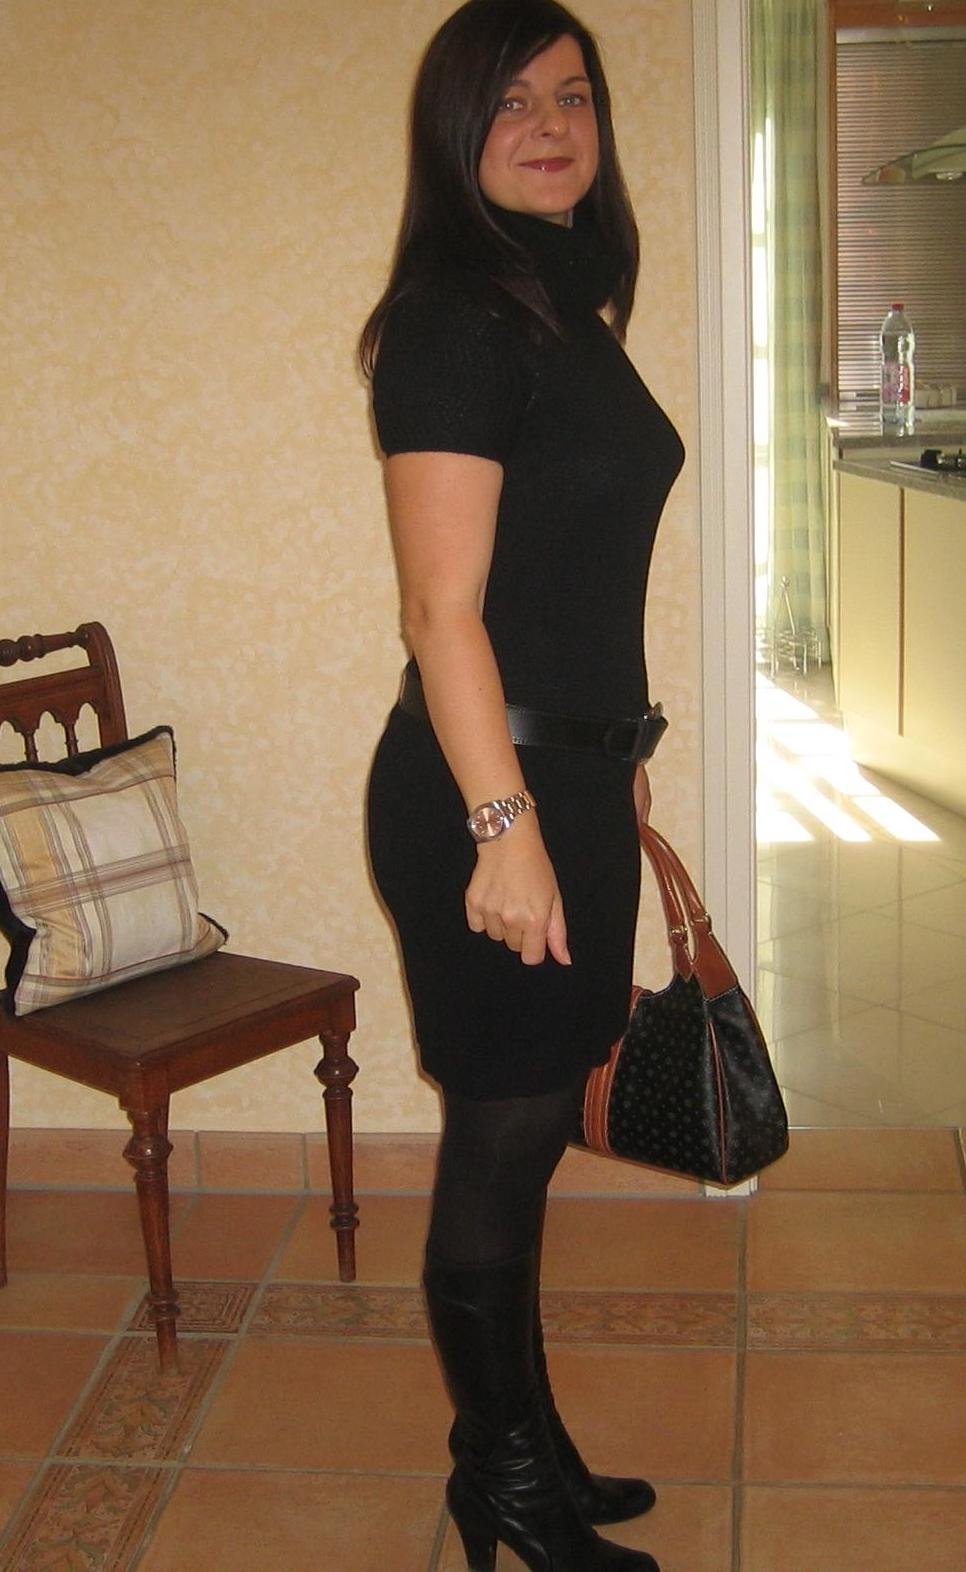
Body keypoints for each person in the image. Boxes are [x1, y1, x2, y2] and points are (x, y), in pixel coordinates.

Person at [362, 2, 684, 1567]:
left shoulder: (561, 302)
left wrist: (602, 784)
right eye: (507, 103)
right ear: (453, 135)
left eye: (572, 95)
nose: (550, 126)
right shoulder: (452, 321)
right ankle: (499, 1483)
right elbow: (441, 614)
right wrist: (506, 829)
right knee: (500, 1140)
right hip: (486, 799)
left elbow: (565, 586)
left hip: (564, 780)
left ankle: (525, 1447)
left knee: (534, 1123)